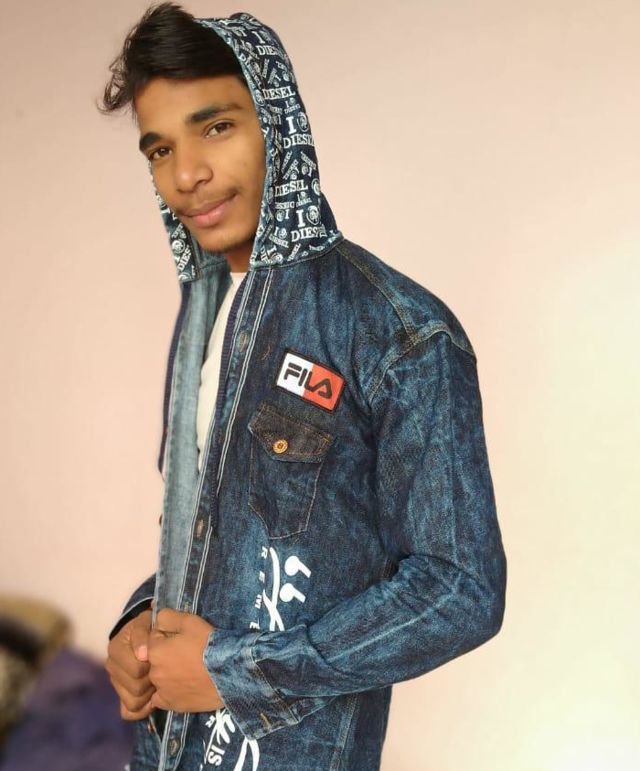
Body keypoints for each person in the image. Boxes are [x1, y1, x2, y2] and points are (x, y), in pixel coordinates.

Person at [100, 4, 507, 770]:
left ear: (278, 126)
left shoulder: (400, 331)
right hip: (164, 749)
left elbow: (459, 589)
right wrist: (140, 621)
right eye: (161, 149)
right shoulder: (205, 318)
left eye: (216, 127)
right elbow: (223, 536)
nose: (186, 175)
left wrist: (236, 671)